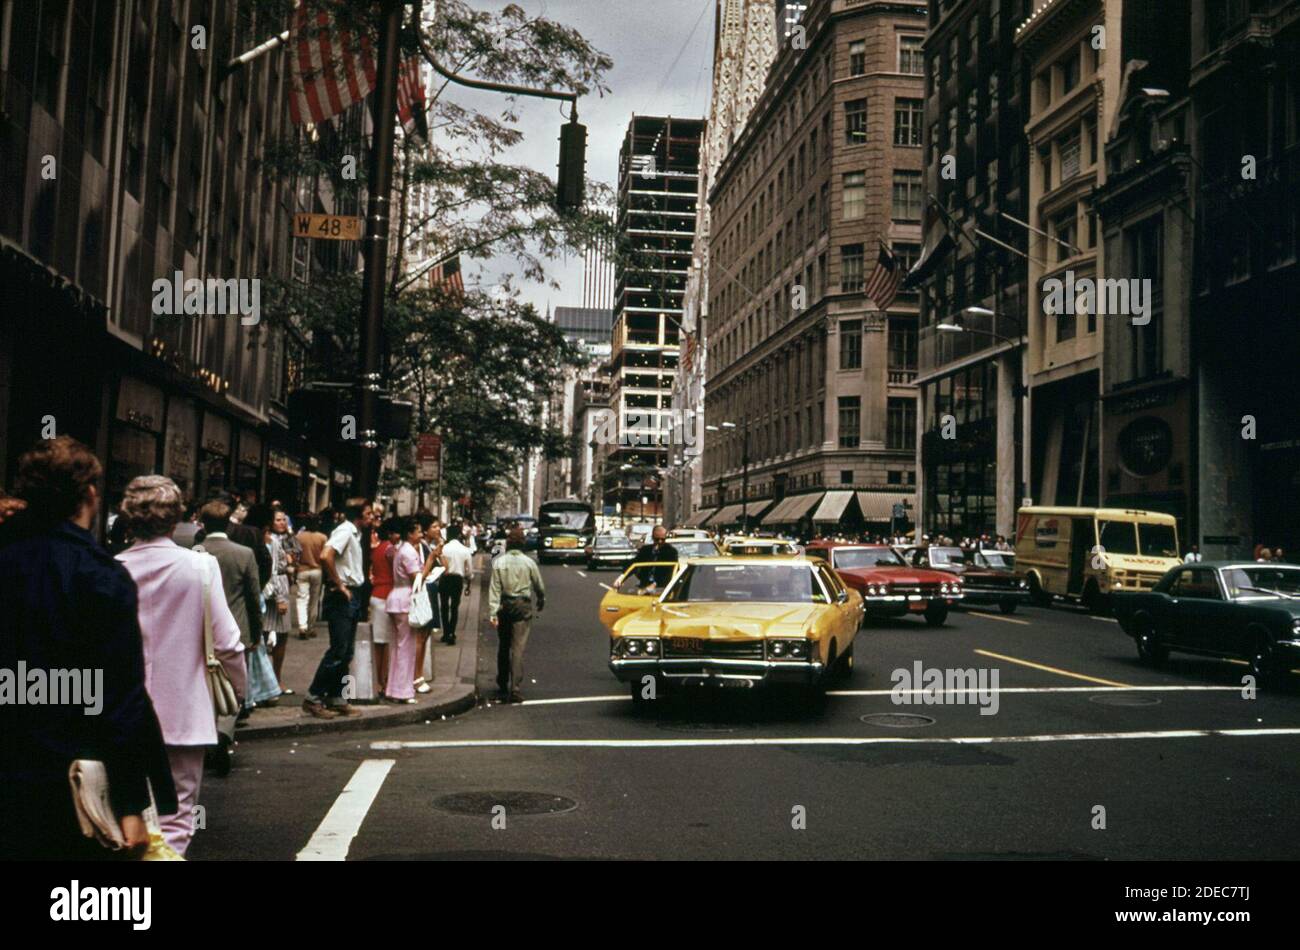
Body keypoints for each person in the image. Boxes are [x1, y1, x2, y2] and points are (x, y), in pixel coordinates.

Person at [0, 438, 177, 860]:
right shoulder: (100, 576)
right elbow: (121, 696)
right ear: (91, 495)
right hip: (74, 771)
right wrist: (131, 803)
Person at [116, 475, 247, 856]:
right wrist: (237, 692)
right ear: (177, 520)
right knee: (176, 817)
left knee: (129, 814)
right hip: (184, 713)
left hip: (125, 713)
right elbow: (227, 644)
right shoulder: (200, 568)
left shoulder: (111, 569)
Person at [304, 498, 372, 719]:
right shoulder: (344, 531)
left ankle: (338, 698)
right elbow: (326, 555)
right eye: (369, 514)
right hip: (342, 596)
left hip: (353, 593)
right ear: (359, 516)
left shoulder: (355, 533)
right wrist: (339, 584)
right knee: (338, 650)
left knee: (346, 652)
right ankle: (313, 697)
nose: (372, 518)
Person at [196, 500, 264, 716]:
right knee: (234, 685)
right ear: (228, 525)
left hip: (201, 628)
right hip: (237, 625)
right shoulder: (244, 554)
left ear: (203, 524)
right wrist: (256, 632)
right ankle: (226, 729)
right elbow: (254, 597)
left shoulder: (194, 552)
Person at [488, 526, 546, 704]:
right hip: (522, 606)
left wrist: (493, 612)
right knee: (518, 648)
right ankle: (515, 688)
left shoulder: (499, 562)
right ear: (523, 544)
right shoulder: (529, 563)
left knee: (504, 645)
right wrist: (541, 599)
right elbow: (539, 585)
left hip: (504, 606)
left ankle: (502, 681)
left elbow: (495, 589)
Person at [385, 518, 431, 704]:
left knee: (398, 647)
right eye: (418, 531)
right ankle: (403, 691)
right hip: (405, 600)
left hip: (395, 597)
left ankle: (394, 688)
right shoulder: (409, 552)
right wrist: (431, 560)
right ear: (410, 534)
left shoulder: (399, 550)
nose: (421, 535)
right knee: (407, 647)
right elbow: (417, 579)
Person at [369, 518, 401, 697]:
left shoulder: (377, 548)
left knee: (379, 642)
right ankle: (383, 681)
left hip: (377, 594)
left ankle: (380, 680)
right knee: (385, 642)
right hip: (386, 596)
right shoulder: (391, 550)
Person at [440, 521, 475, 645]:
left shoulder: (443, 549)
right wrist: (468, 585)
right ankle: (451, 633)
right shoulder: (465, 550)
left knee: (444, 607)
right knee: (454, 607)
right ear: (459, 535)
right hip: (457, 580)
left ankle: (445, 632)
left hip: (444, 578)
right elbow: (469, 571)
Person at [295, 514, 327, 639]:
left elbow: (295, 554)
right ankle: (311, 627)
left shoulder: (299, 537)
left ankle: (302, 627)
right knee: (314, 600)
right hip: (317, 570)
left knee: (302, 599)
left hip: (302, 570)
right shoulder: (322, 538)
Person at [633, 525, 679, 589]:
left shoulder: (671, 552)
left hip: (663, 587)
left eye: (662, 539)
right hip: (645, 584)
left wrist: (655, 584)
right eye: (657, 539)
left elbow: (670, 571)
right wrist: (622, 577)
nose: (660, 542)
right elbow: (634, 563)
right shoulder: (645, 550)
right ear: (652, 537)